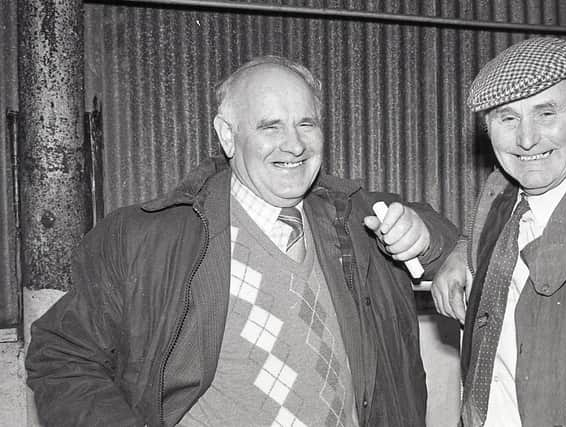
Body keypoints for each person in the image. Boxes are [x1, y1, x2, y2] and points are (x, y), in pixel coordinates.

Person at [26, 55, 457, 427]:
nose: (294, 143)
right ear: (228, 135)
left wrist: (424, 235)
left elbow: (457, 246)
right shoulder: (146, 239)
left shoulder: (356, 218)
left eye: (306, 123)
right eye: (270, 126)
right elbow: (62, 356)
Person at [431, 37, 566, 426]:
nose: (526, 140)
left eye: (546, 114)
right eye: (508, 118)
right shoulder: (500, 199)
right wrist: (461, 252)